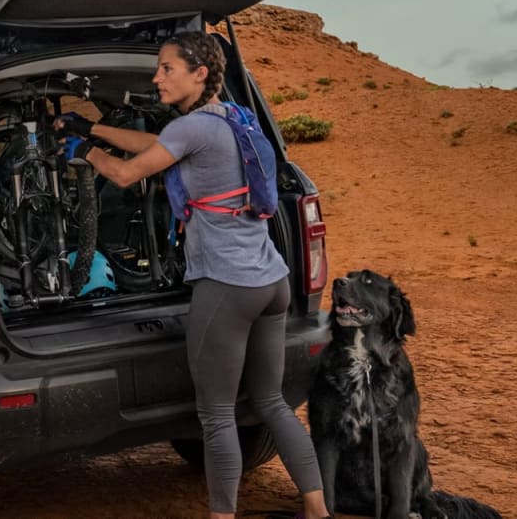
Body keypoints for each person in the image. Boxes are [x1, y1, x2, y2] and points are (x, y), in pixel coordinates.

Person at [55, 31, 329, 519]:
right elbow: (160, 145)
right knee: (271, 400)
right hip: (272, 281)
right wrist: (96, 130)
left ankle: (222, 515)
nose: (156, 78)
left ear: (199, 73)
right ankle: (317, 508)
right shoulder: (234, 119)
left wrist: (82, 150)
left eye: (167, 69)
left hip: (227, 287)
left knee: (217, 414)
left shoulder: (193, 128)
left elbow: (124, 175)